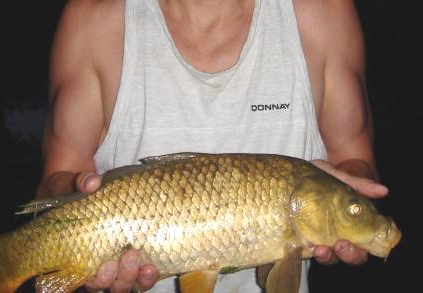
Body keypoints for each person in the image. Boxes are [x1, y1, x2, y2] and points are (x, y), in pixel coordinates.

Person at [37, 0, 389, 292]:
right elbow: (57, 181)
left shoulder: (323, 12)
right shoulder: (92, 19)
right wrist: (77, 201)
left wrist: (344, 199)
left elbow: (353, 158)